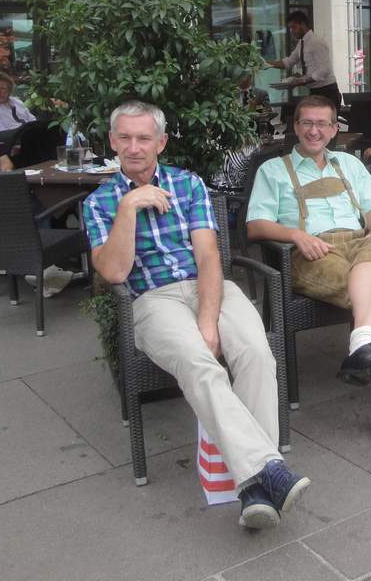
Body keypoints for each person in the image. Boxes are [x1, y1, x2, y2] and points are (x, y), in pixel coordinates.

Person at [84, 101, 309, 529]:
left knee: (257, 354)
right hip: (152, 299)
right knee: (199, 364)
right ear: (112, 141)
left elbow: (208, 256)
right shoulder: (99, 203)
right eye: (125, 138)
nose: (134, 147)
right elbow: (113, 271)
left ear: (161, 142)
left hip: (209, 287)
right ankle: (265, 473)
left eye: (144, 138)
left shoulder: (187, 185)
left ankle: (254, 487)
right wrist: (129, 206)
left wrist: (208, 320)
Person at [246, 96, 371, 457]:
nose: (315, 131)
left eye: (323, 124)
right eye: (307, 123)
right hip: (313, 252)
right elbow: (255, 226)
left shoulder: (350, 164)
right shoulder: (273, 170)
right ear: (295, 127)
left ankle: (362, 346)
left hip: (360, 246)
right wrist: (295, 235)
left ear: (335, 129)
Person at [265, 11, 340, 106]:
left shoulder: (317, 42)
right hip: (315, 91)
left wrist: (302, 80)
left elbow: (325, 70)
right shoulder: (301, 43)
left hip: (327, 91)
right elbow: (288, 62)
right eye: (290, 28)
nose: (291, 31)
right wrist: (266, 64)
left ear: (302, 24)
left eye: (293, 27)